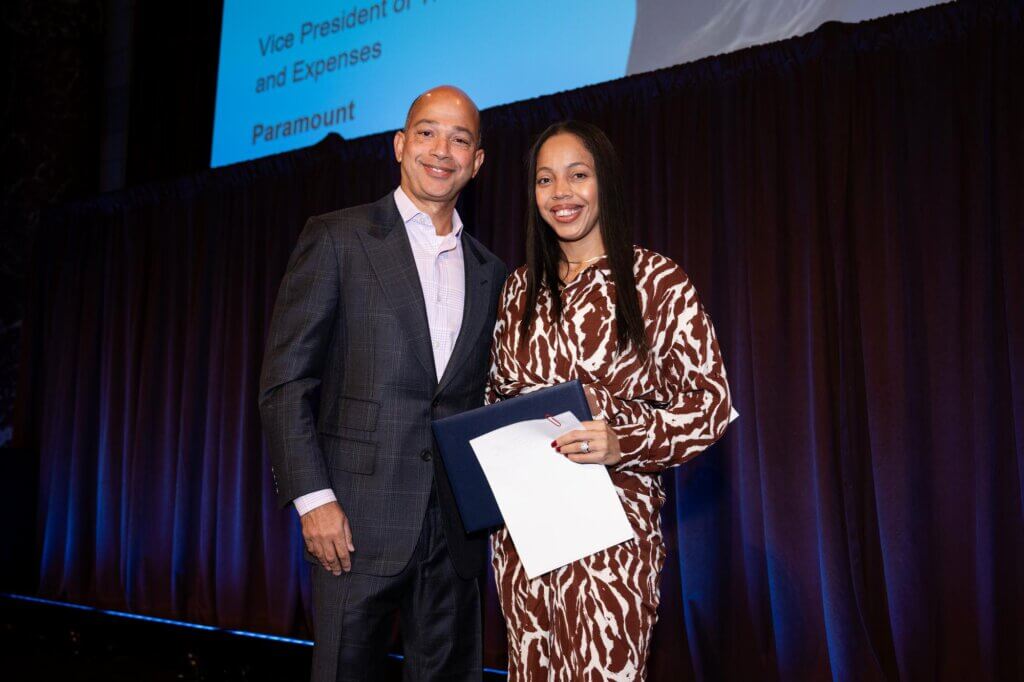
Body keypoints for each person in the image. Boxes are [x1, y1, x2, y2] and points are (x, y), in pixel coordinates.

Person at [259, 85, 506, 682]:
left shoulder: (493, 271)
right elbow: (286, 381)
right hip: (354, 525)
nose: (441, 150)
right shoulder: (338, 237)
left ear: (477, 162)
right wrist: (313, 500)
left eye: (460, 138)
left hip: (455, 534)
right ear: (399, 145)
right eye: (426, 132)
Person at [487, 120, 733, 680]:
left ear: (606, 182)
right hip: (524, 539)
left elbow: (711, 405)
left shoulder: (656, 281)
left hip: (612, 537)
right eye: (545, 180)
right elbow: (494, 402)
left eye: (578, 175)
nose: (561, 193)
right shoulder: (518, 290)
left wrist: (625, 440)